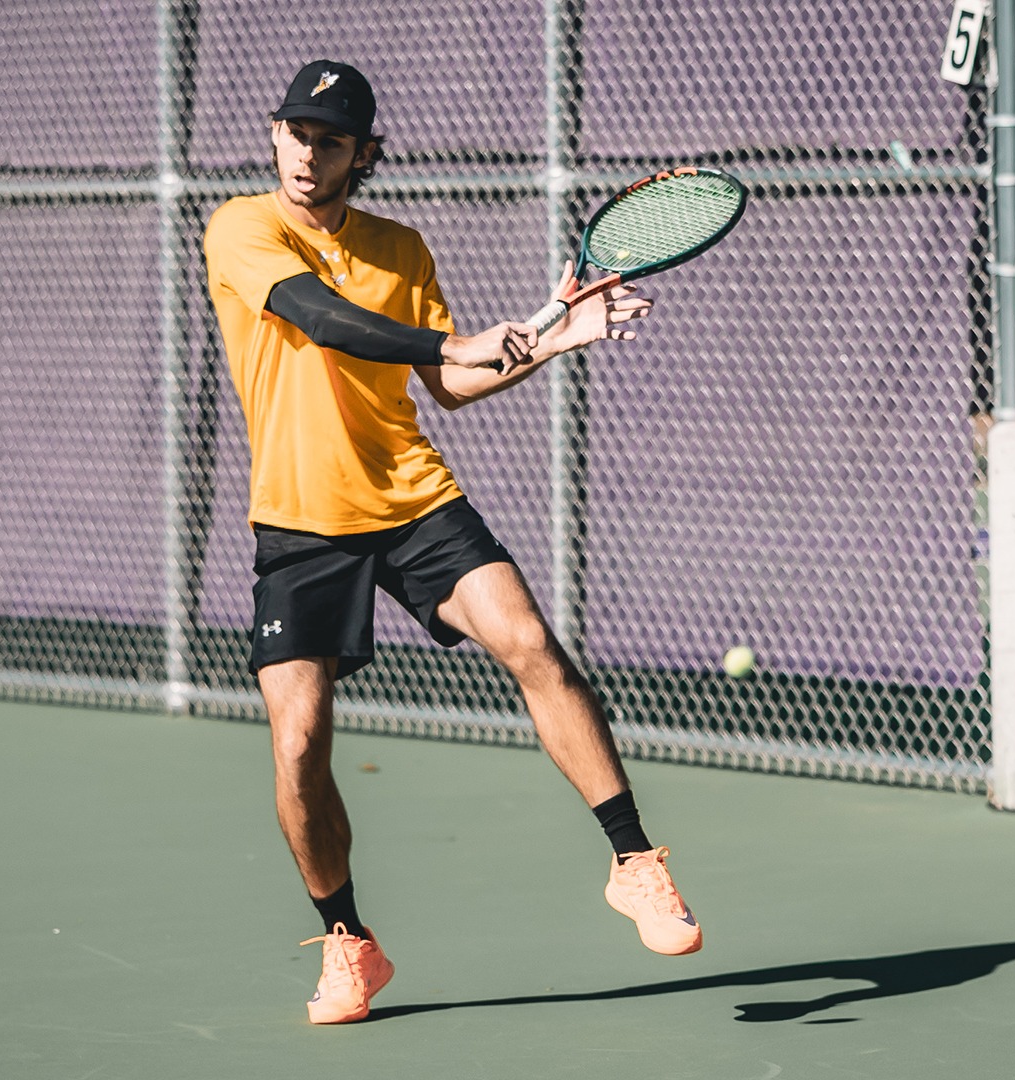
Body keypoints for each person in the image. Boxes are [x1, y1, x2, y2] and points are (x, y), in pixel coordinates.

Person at [203, 59, 701, 1026]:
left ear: (365, 154)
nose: (309, 154)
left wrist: (551, 339)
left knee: (530, 645)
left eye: (331, 140)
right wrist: (450, 344)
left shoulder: (402, 246)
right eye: (296, 134)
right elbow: (321, 319)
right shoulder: (241, 226)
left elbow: (451, 384)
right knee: (299, 744)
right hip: (300, 522)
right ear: (274, 137)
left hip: (414, 499)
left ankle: (635, 861)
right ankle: (349, 944)